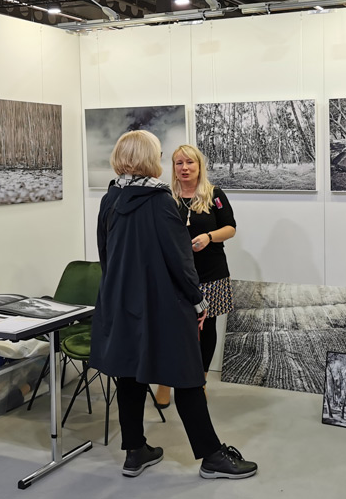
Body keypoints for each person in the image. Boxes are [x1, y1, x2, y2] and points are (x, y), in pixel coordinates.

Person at [89, 130, 257, 480]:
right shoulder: (161, 201)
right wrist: (198, 302)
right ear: (149, 159)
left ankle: (135, 451)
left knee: (129, 374)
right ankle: (211, 456)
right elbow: (180, 262)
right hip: (164, 304)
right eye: (160, 154)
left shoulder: (110, 198)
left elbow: (106, 254)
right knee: (188, 375)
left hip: (121, 301)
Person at [154, 144, 236, 409]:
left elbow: (230, 228)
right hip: (174, 275)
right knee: (169, 328)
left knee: (206, 328)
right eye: (179, 163)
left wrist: (209, 237)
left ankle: (200, 381)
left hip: (211, 273)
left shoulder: (214, 195)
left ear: (200, 166)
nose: (184, 168)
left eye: (190, 162)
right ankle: (165, 381)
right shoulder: (165, 197)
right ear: (173, 168)